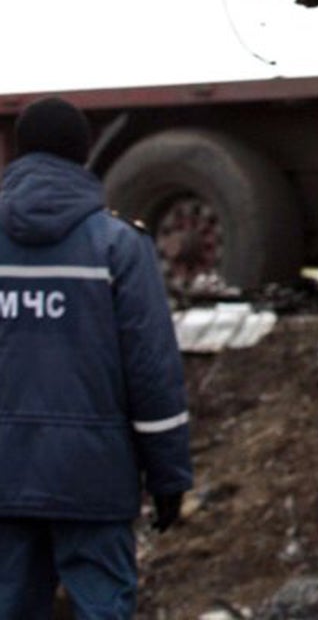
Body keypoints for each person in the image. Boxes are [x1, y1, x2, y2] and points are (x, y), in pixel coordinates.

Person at [0, 97, 193, 620]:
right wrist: (169, 475)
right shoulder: (118, 246)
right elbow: (151, 370)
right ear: (83, 154)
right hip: (94, 479)